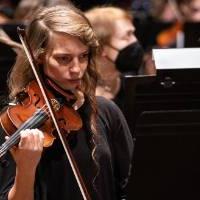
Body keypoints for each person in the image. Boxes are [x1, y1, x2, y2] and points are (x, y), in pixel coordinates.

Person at [0, 4, 133, 200]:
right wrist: (26, 168)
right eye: (64, 59)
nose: (77, 69)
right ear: (39, 58)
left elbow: (131, 184)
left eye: (83, 56)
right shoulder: (16, 121)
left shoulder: (106, 111)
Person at [85, 6, 144, 100]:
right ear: (101, 47)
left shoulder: (131, 82)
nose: (135, 40)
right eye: (127, 35)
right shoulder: (82, 94)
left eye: (133, 33)